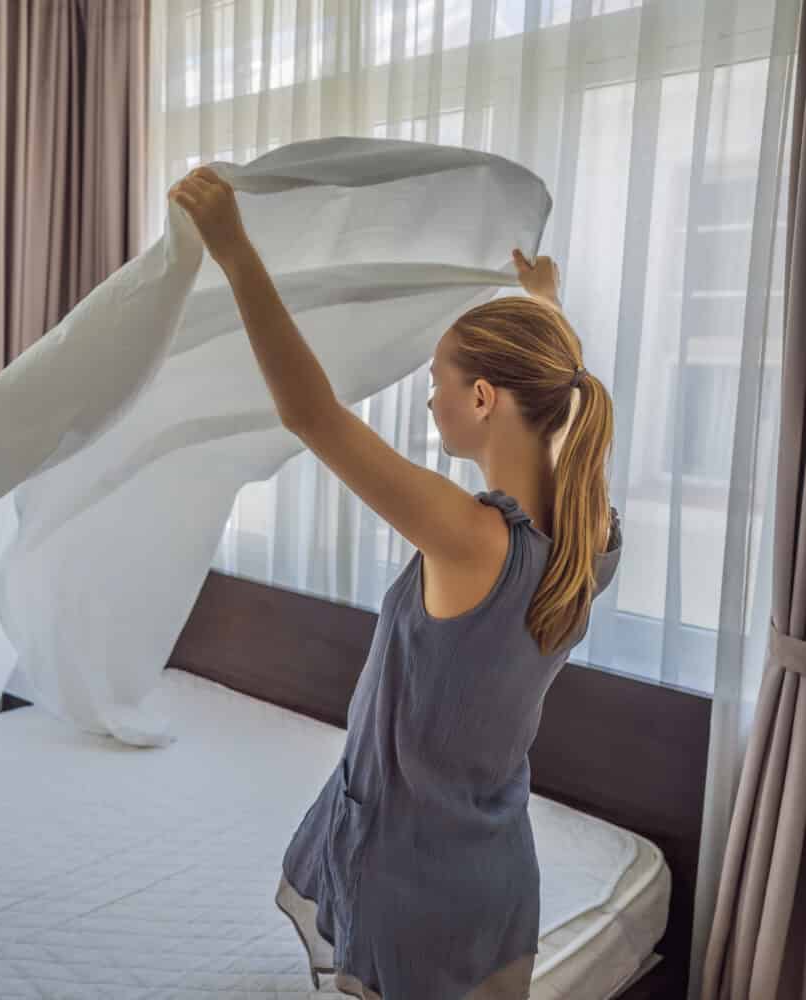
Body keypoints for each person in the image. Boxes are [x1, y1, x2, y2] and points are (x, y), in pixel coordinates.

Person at [169, 166, 623, 1000]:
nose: (428, 404)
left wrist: (236, 253)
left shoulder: (470, 538)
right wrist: (546, 307)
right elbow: (558, 394)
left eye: (436, 386)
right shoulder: (594, 537)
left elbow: (313, 415)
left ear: (482, 397)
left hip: (411, 883)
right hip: (497, 874)